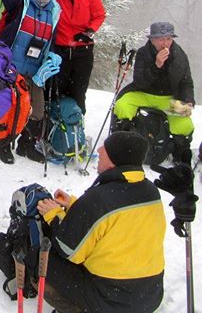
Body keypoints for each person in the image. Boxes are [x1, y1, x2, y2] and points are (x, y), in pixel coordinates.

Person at [37, 131, 166, 313]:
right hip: (149, 296)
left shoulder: (99, 199)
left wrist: (53, 215)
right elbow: (118, 222)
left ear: (115, 159)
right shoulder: (150, 191)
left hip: (109, 301)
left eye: (105, 148)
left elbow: (68, 250)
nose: (98, 150)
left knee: (41, 257)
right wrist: (76, 206)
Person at [0, 0, 61, 164]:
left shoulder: (55, 12)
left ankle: (26, 145)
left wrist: (52, 58)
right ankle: (5, 144)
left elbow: (52, 40)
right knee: (11, 106)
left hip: (35, 71)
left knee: (37, 111)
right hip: (12, 67)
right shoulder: (20, 2)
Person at [113, 22, 195, 164]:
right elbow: (139, 82)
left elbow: (186, 82)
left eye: (169, 39)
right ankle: (121, 145)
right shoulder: (143, 53)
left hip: (168, 97)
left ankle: (179, 155)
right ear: (152, 40)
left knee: (184, 124)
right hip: (143, 93)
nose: (165, 43)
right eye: (161, 39)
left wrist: (188, 100)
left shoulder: (180, 56)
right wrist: (156, 65)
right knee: (122, 106)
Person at [45, 0, 105, 114]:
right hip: (59, 51)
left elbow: (99, 15)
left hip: (83, 51)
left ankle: (77, 125)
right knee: (54, 92)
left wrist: (89, 31)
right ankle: (51, 125)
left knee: (78, 93)